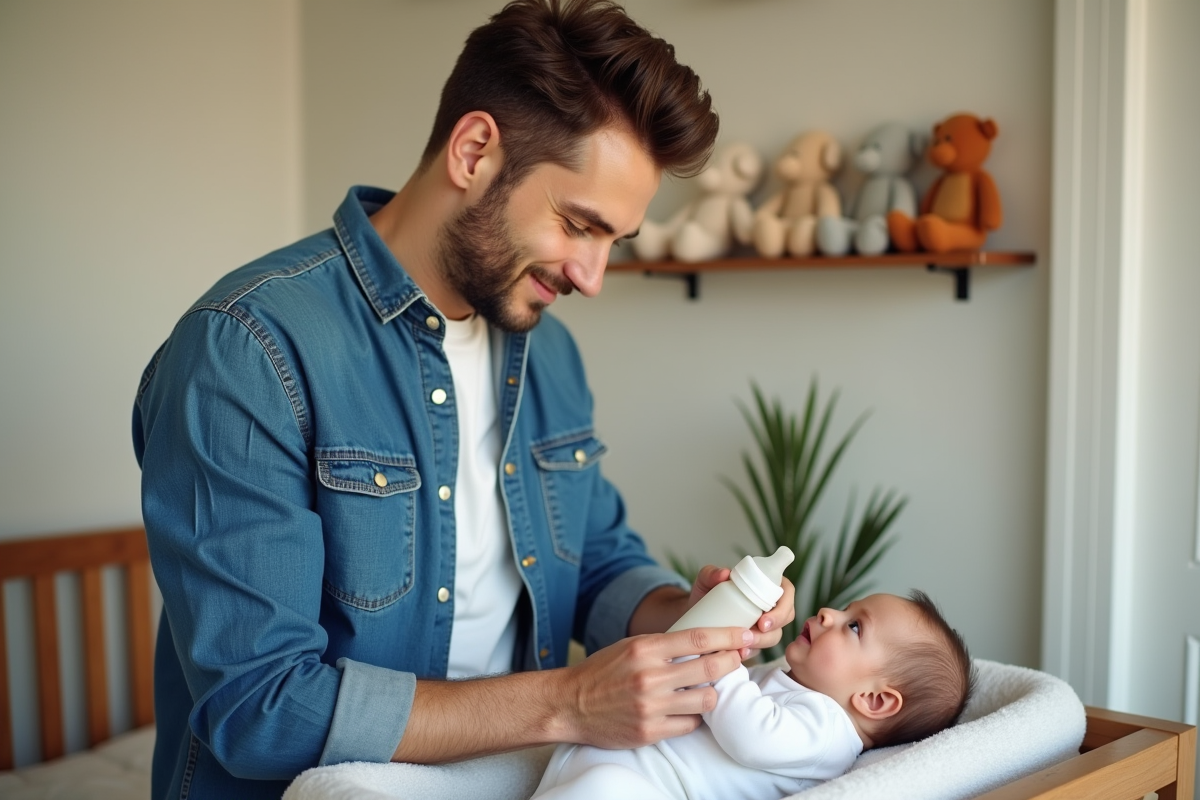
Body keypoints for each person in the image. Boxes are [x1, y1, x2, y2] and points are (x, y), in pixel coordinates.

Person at [131, 1, 796, 797]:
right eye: (578, 225)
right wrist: (573, 701)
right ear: (475, 151)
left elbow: (593, 563)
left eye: (612, 244)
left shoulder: (547, 353)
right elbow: (260, 709)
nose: (592, 277)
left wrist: (681, 615)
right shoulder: (247, 347)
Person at [532, 591, 976, 800]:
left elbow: (752, 733)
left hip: (649, 788)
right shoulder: (788, 681)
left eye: (853, 626)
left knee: (606, 789)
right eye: (845, 608)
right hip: (603, 762)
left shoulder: (829, 735)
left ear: (874, 701)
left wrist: (720, 666)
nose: (828, 613)